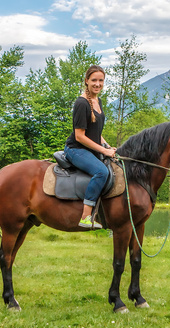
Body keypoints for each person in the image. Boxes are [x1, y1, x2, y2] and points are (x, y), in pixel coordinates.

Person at [64, 65, 116, 229]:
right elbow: (80, 136)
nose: (98, 84)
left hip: (91, 149)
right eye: (94, 80)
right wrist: (103, 150)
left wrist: (108, 146)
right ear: (86, 81)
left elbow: (95, 132)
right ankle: (86, 216)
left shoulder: (97, 101)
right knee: (102, 172)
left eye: (101, 80)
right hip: (76, 149)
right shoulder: (81, 103)